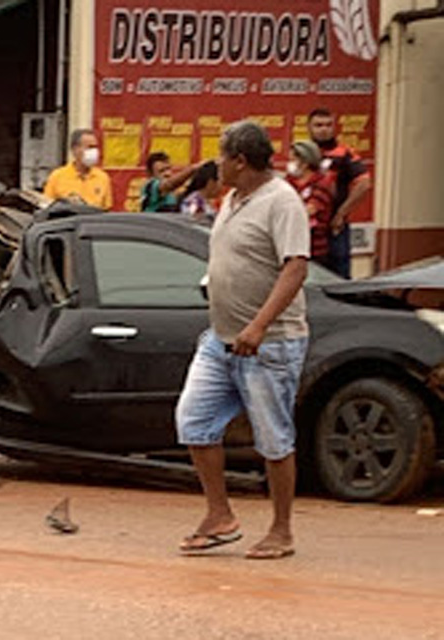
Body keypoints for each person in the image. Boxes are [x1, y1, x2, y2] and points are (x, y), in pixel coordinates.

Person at [175, 121, 310, 560]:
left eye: (221, 155)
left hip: (270, 343)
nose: (216, 162)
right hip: (221, 339)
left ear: (240, 161)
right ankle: (220, 515)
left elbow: (295, 268)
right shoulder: (232, 197)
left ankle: (282, 530)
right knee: (194, 421)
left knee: (273, 440)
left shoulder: (282, 202)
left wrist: (258, 326)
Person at [307, 108, 372, 278]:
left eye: (328, 125)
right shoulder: (303, 154)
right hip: (308, 229)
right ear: (309, 128)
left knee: (339, 279)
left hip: (334, 228)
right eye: (318, 125)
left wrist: (341, 214)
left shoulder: (344, 153)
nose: (324, 129)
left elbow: (364, 183)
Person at [286, 140, 335, 267]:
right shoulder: (289, 182)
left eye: (293, 160)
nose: (290, 164)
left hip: (315, 249)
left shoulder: (322, 183)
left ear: (305, 162)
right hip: (291, 248)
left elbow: (310, 210)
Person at [43, 129, 113, 210]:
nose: (94, 151)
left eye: (95, 147)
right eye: (89, 147)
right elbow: (46, 207)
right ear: (75, 149)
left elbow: (106, 209)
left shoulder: (102, 178)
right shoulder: (57, 177)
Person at [179, 160, 221, 226]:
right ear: (211, 182)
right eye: (220, 182)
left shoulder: (205, 202)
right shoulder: (194, 202)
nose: (221, 187)